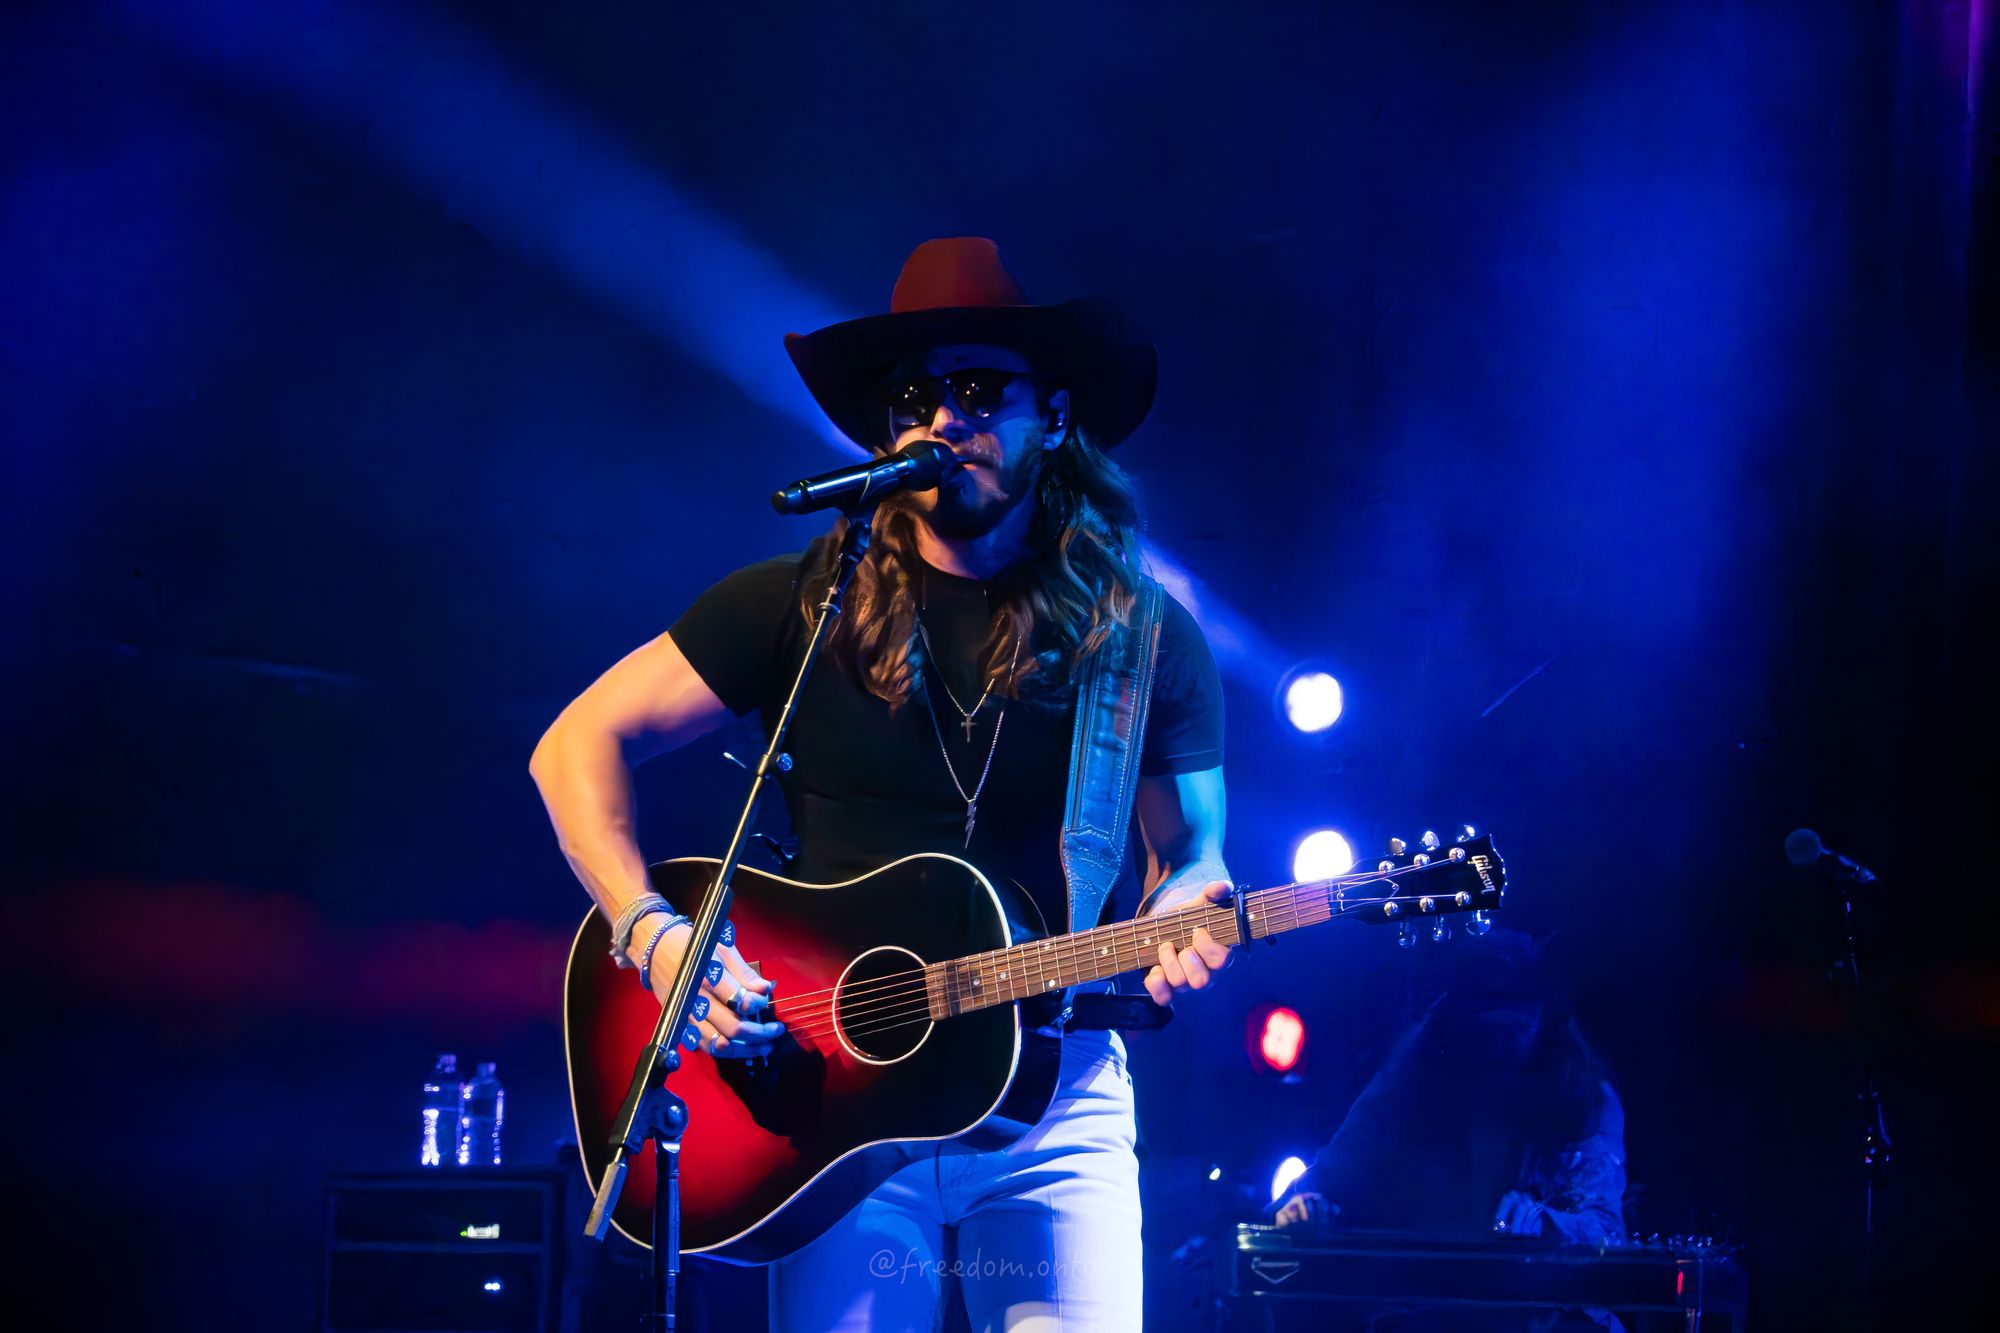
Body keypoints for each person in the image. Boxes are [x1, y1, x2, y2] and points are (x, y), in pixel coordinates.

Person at [530, 237, 1233, 1332]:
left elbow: (1191, 857)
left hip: (1051, 1105)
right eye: (914, 399)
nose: (943, 420)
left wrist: (1189, 899)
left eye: (977, 390)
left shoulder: (1140, 638)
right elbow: (574, 744)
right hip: (829, 1105)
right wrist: (653, 932)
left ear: (1052, 416)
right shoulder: (801, 607)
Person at [1270, 931, 1627, 1332]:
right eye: (1488, 1028)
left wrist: (1543, 1223)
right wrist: (1300, 1210)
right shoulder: (1404, 1092)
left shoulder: (1582, 1100)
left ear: (1544, 1022)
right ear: (1457, 1023)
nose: (1502, 1046)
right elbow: (1315, 1190)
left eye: (1518, 1027)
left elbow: (1607, 1232)